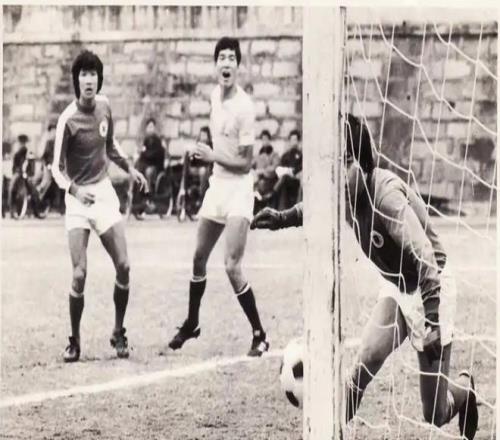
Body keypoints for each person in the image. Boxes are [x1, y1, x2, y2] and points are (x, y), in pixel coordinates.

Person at [250, 114, 478, 439]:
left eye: (346, 163)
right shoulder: (344, 193)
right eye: (334, 165)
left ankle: (465, 390)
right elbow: (316, 205)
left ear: (363, 161)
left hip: (432, 288)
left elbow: (424, 255)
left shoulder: (385, 195)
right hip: (397, 287)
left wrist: (431, 320)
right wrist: (284, 217)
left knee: (435, 414)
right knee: (365, 363)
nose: (339, 176)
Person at [168, 36, 269, 357]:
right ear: (215, 65)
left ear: (238, 66)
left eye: (231, 58)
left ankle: (259, 334)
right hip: (218, 186)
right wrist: (203, 155)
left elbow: (246, 163)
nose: (226, 63)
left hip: (239, 190)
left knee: (231, 265)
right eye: (221, 58)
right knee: (199, 257)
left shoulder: (245, 108)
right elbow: (221, 149)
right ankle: (192, 323)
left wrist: (212, 156)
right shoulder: (214, 97)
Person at [52, 50, 147, 362]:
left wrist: (130, 169)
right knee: (79, 274)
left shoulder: (105, 107)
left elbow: (111, 145)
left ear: (99, 79)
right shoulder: (67, 119)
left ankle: (118, 331)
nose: (89, 80)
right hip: (78, 200)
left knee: (125, 266)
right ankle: (74, 339)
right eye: (84, 74)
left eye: (93, 74)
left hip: (103, 193)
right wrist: (75, 191)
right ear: (77, 80)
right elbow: (56, 169)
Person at [177, 126, 213, 219]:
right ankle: (183, 190)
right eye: (201, 135)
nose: (203, 137)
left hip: (207, 170)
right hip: (196, 168)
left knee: (203, 171)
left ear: (208, 136)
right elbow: (194, 161)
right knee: (186, 162)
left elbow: (210, 162)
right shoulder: (197, 146)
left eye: (205, 135)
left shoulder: (210, 147)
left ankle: (201, 199)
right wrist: (191, 155)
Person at [273, 129, 302, 209]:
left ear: (298, 141)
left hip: (295, 180)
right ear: (289, 141)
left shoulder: (301, 155)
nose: (293, 142)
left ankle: (274, 192)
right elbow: (280, 167)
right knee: (283, 179)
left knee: (284, 178)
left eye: (295, 140)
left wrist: (292, 171)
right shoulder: (285, 155)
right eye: (292, 140)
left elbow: (300, 168)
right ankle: (280, 209)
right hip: (285, 179)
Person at [253, 129, 280, 211]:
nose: (264, 141)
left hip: (270, 180)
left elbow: (274, 167)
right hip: (258, 179)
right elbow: (252, 165)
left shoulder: (274, 154)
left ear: (269, 140)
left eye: (266, 139)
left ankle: (262, 200)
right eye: (263, 139)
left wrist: (263, 171)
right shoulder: (258, 155)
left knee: (261, 184)